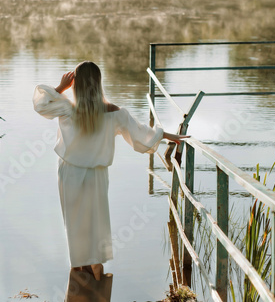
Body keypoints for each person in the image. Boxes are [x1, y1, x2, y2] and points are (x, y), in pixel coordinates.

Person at [32, 61, 188, 281]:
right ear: (98, 82)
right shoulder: (114, 112)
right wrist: (165, 135)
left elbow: (41, 105)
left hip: (70, 173)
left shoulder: (67, 108)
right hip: (97, 174)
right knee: (96, 220)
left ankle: (80, 271)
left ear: (76, 84)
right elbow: (141, 136)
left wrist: (60, 88)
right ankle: (94, 270)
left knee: (75, 222)